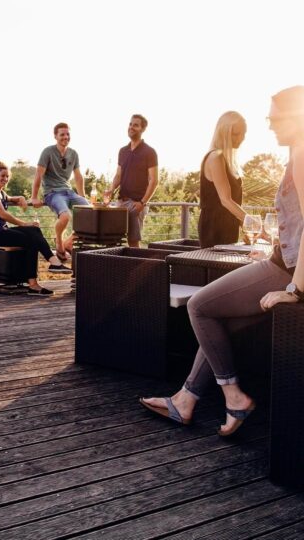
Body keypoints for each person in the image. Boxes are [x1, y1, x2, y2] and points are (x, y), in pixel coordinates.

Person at [140, 86, 304, 436]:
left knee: (199, 305)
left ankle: (233, 396)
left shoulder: (302, 155)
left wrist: (295, 289)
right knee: (220, 319)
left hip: (284, 270)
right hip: (282, 260)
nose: (270, 123)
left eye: (274, 116)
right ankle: (185, 399)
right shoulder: (295, 154)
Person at [0, 162, 72, 295]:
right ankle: (38, 279)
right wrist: (24, 223)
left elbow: (12, 198)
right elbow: (3, 214)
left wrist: (21, 198)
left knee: (34, 231)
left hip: (3, 231)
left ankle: (50, 266)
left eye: (7, 177)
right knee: (30, 238)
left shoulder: (2, 194)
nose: (5, 179)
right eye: (2, 176)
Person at [30, 123, 89, 261]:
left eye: (67, 134)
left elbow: (78, 177)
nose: (65, 137)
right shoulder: (48, 152)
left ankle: (69, 242)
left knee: (90, 213)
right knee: (65, 217)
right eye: (62, 134)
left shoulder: (73, 153)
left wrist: (82, 196)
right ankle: (59, 242)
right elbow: (38, 175)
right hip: (53, 192)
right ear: (55, 136)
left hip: (69, 191)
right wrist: (33, 197)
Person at [104, 114, 158, 247]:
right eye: (130, 124)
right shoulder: (123, 151)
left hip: (136, 204)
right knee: (113, 239)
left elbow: (154, 180)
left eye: (135, 125)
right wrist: (111, 189)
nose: (131, 127)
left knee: (133, 242)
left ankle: (137, 267)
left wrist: (142, 203)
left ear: (142, 129)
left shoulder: (149, 152)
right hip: (121, 202)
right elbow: (118, 176)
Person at [198, 111, 248, 248]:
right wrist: (252, 222)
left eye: (243, 134)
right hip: (215, 229)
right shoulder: (216, 157)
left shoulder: (229, 161)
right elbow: (226, 200)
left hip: (229, 226)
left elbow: (233, 202)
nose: (241, 138)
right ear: (223, 133)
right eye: (236, 134)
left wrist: (244, 226)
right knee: (218, 268)